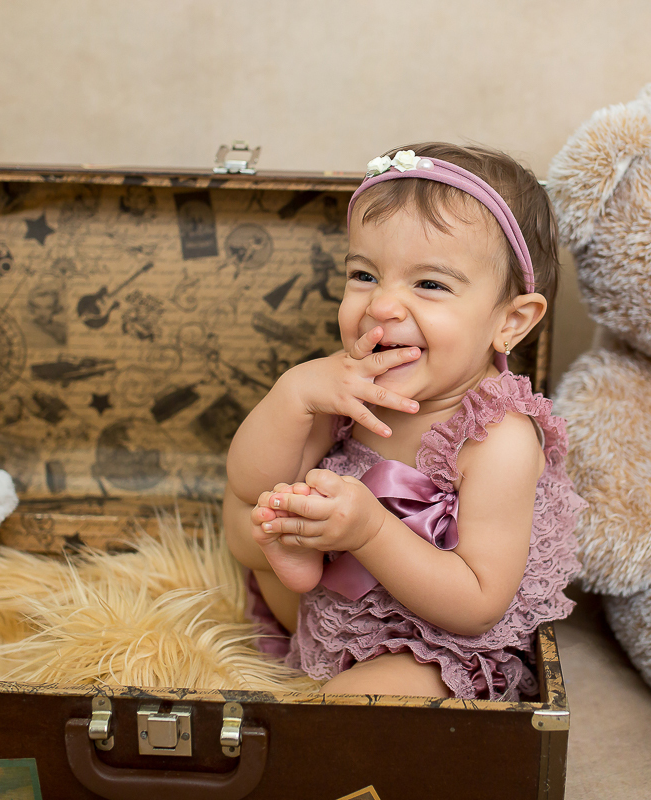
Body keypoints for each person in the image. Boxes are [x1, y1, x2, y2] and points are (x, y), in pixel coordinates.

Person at [223, 143, 582, 700]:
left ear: (511, 322)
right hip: (332, 609)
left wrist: (367, 530)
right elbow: (250, 483)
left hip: (434, 641)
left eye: (430, 284)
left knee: (370, 699)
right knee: (243, 512)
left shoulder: (497, 437)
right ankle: (305, 590)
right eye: (364, 274)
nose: (383, 306)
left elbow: (478, 603)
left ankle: (327, 702)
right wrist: (293, 394)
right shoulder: (352, 385)